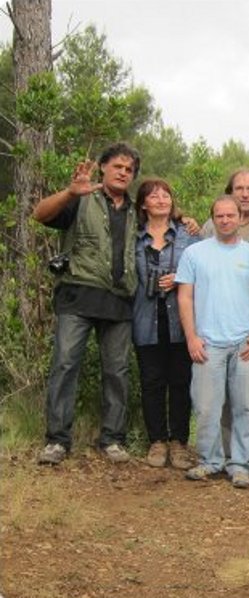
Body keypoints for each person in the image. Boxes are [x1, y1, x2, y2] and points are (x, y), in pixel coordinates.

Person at [33, 143, 141, 465]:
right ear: (104, 168)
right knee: (65, 365)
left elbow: (167, 215)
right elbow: (40, 214)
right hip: (77, 294)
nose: (123, 172)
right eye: (118, 166)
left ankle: (112, 440)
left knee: (117, 371)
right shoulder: (80, 199)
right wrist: (69, 191)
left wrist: (186, 218)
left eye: (129, 169)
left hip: (119, 300)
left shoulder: (138, 210)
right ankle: (57, 441)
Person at [176, 195, 249, 489]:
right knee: (206, 407)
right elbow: (185, 296)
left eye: (231, 216)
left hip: (244, 342)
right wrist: (191, 337)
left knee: (244, 407)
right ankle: (209, 461)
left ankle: (240, 465)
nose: (226, 220)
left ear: (240, 218)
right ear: (212, 219)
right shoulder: (195, 253)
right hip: (207, 343)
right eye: (220, 216)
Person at [200, 168, 249, 479]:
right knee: (223, 394)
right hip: (219, 323)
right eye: (238, 188)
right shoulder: (211, 225)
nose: (244, 193)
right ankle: (230, 453)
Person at [133, 178, 198, 469]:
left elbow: (203, 270)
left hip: (180, 320)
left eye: (166, 195)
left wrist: (181, 279)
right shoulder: (132, 237)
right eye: (154, 196)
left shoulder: (188, 234)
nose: (161, 200)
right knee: (152, 382)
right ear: (143, 204)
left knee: (181, 382)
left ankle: (179, 443)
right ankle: (157, 441)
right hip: (145, 318)